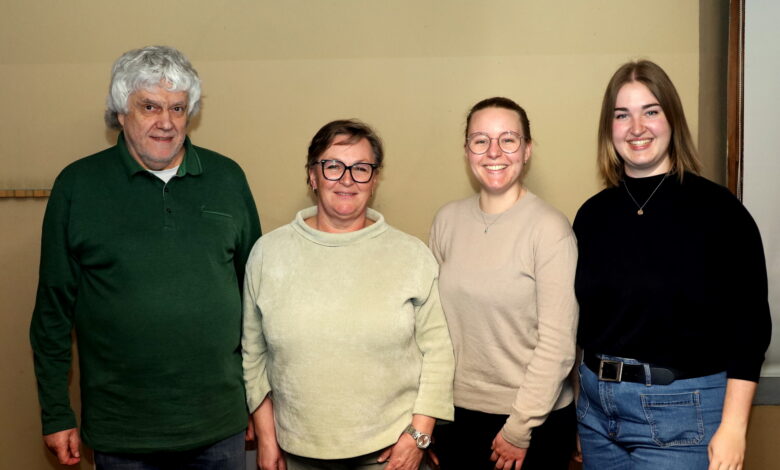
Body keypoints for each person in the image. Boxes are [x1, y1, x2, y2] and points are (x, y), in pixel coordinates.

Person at [29, 45, 261, 469]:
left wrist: (258, 400)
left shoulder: (227, 178)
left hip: (219, 426)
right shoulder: (78, 186)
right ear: (121, 112)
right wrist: (56, 412)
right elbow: (52, 313)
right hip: (123, 432)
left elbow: (257, 299)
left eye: (178, 108)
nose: (166, 122)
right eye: (150, 106)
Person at [574, 59, 771, 470]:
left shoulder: (720, 211)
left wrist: (734, 428)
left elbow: (750, 329)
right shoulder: (591, 215)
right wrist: (583, 404)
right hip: (596, 414)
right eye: (622, 115)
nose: (636, 127)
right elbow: (583, 324)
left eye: (651, 111)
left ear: (673, 120)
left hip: (684, 415)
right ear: (609, 128)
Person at [242, 119, 454, 470]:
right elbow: (253, 354)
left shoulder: (411, 255)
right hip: (296, 452)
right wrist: (266, 436)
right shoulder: (268, 253)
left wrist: (419, 435)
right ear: (313, 175)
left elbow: (439, 354)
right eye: (333, 166)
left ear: (374, 180)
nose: (347, 179)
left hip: (390, 455)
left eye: (360, 168)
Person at [429, 97, 579, 470]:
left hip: (530, 423)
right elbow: (431, 328)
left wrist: (519, 428)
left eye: (508, 139)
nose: (493, 152)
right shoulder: (447, 221)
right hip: (455, 417)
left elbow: (559, 345)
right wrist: (429, 417)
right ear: (467, 151)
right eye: (480, 140)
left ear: (527, 150)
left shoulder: (549, 229)